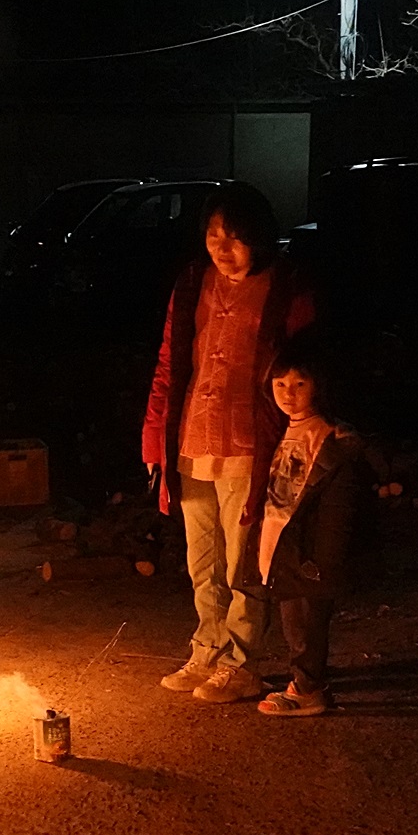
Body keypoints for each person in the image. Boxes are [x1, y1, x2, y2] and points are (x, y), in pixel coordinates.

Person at [140, 182, 317, 705]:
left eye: (235, 237)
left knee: (244, 564)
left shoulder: (285, 290)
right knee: (204, 561)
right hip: (193, 437)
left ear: (259, 238)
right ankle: (208, 648)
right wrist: (154, 438)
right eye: (214, 234)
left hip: (249, 444)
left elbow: (305, 369)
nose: (223, 247)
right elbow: (170, 363)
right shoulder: (192, 283)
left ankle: (242, 663)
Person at [245, 342, 367, 716]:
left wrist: (326, 557)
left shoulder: (332, 439)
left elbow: (339, 507)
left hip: (310, 549)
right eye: (280, 384)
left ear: (318, 385)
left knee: (307, 620)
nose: (289, 394)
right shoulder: (281, 431)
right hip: (282, 541)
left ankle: (308, 689)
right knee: (293, 620)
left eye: (300, 384)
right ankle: (304, 678)